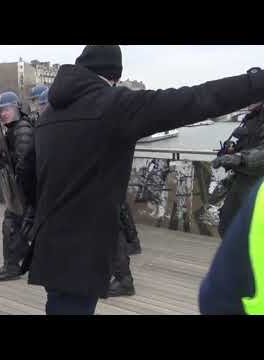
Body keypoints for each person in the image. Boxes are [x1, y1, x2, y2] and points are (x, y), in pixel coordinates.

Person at [23, 45, 264, 315]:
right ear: (114, 76)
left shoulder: (49, 115)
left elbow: (26, 174)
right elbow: (196, 99)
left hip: (49, 244)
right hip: (84, 250)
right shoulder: (115, 105)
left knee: (59, 307)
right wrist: (255, 82)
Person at [199, 178, 264, 315]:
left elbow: (213, 300)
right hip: (238, 181)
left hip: (247, 184)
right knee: (226, 222)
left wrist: (241, 160)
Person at [0, 91, 34, 282]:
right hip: (24, 187)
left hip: (24, 188)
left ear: (16, 108)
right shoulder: (15, 128)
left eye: (7, 109)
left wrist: (19, 190)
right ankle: (20, 260)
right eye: (0, 111)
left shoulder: (22, 130)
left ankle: (11, 266)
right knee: (21, 225)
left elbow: (24, 163)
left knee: (12, 225)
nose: (3, 114)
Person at [211, 100, 264, 238]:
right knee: (226, 225)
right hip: (240, 179)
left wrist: (240, 158)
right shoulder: (252, 117)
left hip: (258, 183)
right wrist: (230, 150)